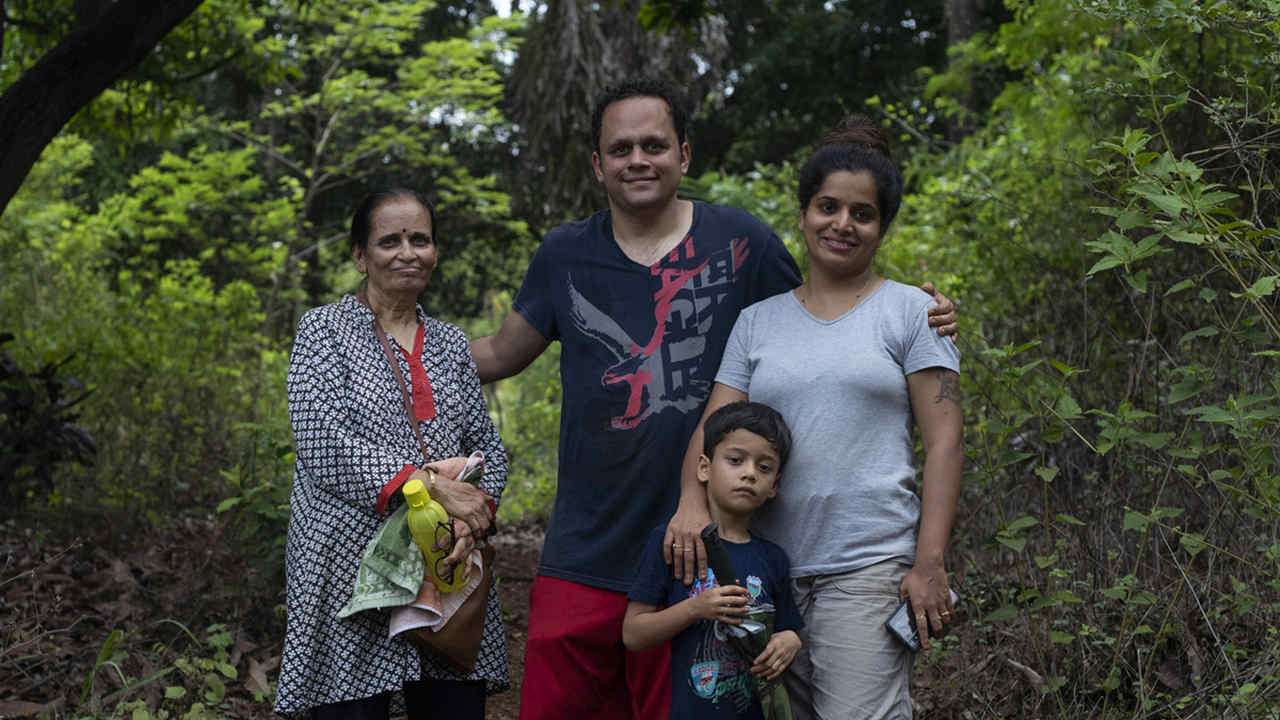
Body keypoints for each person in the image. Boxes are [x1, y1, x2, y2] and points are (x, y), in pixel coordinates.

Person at [467, 78, 957, 719]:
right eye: (621, 148)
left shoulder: (744, 243)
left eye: (654, 144)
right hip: (598, 538)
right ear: (598, 163)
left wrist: (929, 314)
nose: (638, 159)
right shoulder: (567, 253)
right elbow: (501, 353)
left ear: (685, 153)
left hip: (720, 548)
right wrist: (397, 340)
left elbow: (832, 304)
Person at [682, 116, 964, 719]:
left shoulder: (913, 314)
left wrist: (929, 564)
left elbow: (944, 444)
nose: (842, 224)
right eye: (827, 206)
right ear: (804, 212)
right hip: (767, 569)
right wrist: (690, 510)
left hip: (867, 564)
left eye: (862, 214)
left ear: (882, 227)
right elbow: (714, 429)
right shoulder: (757, 322)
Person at [275, 188, 510, 720]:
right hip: (348, 564)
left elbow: (488, 447)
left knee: (452, 705)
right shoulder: (324, 331)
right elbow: (322, 442)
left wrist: (476, 514)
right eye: (390, 241)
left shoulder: (451, 343)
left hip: (444, 559)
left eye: (420, 239)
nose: (408, 252)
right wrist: (430, 483)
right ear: (361, 256)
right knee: (352, 708)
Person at [624, 401, 803, 720]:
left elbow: (789, 629)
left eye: (764, 467)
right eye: (736, 460)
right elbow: (634, 633)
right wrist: (696, 608)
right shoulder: (672, 542)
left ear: (774, 486)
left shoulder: (774, 558)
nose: (749, 473)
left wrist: (790, 641)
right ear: (704, 467)